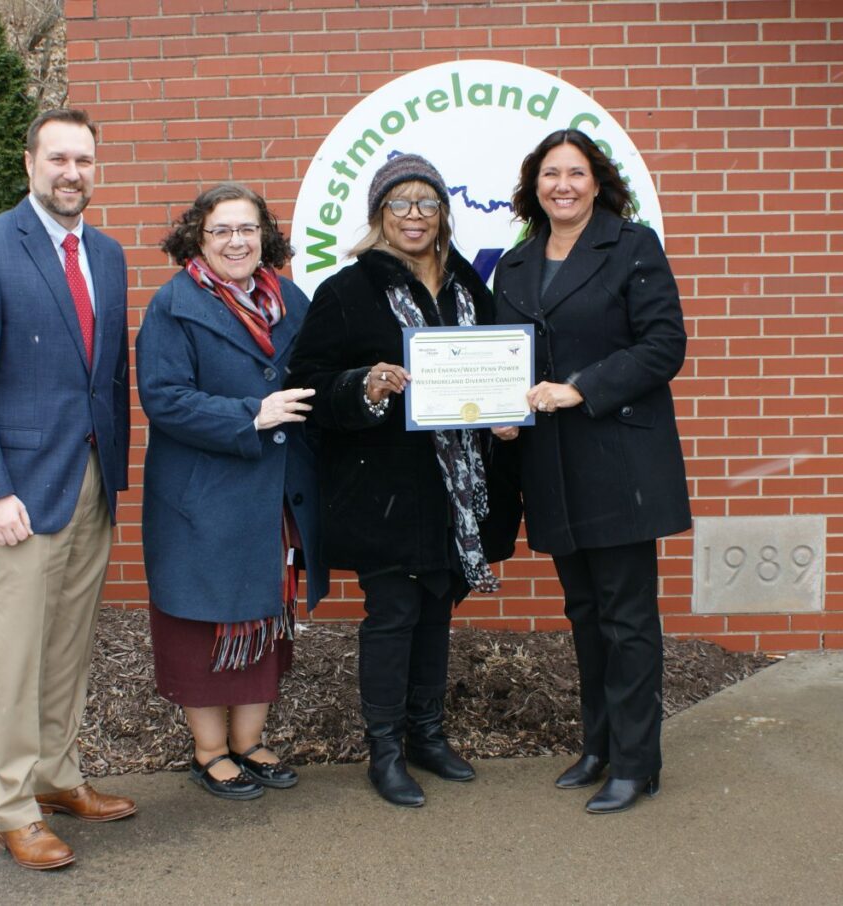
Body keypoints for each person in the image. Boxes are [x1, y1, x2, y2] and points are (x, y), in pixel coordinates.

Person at [286, 154, 521, 808]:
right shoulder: (347, 291)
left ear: (443, 213)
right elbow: (304, 386)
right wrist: (364, 386)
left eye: (426, 203)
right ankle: (385, 751)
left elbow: (495, 367)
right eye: (400, 203)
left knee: (436, 611)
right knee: (393, 614)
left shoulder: (469, 285)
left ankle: (427, 736)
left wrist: (506, 417)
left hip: (458, 494)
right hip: (384, 490)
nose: (414, 216)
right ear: (378, 215)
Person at [0, 108, 135, 869]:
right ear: (30, 164)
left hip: (88, 482)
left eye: (84, 160)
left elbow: (106, 377)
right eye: (57, 158)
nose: (71, 173)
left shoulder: (107, 255)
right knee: (15, 657)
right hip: (14, 494)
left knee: (68, 647)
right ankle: (15, 806)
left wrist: (111, 472)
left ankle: (58, 776)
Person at [492, 128, 691, 814]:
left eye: (576, 173)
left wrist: (581, 387)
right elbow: (505, 358)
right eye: (551, 174)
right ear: (534, 185)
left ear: (598, 182)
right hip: (552, 465)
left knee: (627, 616)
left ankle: (638, 763)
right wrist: (497, 408)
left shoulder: (632, 246)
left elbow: (665, 343)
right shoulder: (515, 266)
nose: (564, 186)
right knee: (584, 613)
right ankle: (600, 746)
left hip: (619, 460)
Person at [136, 183, 329, 801]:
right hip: (203, 497)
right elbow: (164, 399)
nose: (237, 241)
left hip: (275, 490)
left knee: (266, 619)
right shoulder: (174, 305)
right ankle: (210, 751)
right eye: (221, 230)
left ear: (265, 237)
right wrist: (253, 413)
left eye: (248, 229)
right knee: (202, 626)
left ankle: (249, 743)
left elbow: (315, 375)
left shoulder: (289, 299)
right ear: (198, 237)